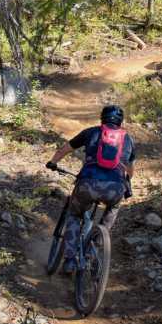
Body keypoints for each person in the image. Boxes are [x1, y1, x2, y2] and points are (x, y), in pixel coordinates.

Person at [46, 105, 135, 273]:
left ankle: (70, 260)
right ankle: (95, 245)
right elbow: (130, 170)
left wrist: (53, 162)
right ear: (120, 122)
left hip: (88, 184)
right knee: (113, 209)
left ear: (102, 118)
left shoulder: (91, 132)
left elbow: (65, 148)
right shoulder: (128, 139)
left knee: (74, 215)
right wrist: (124, 180)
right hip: (115, 188)